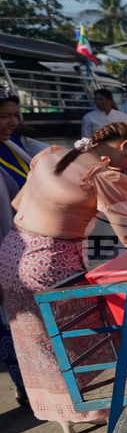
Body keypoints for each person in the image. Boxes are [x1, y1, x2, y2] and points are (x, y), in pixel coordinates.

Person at [0, 123, 127, 433]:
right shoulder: (107, 178)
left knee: (39, 339)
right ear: (125, 147)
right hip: (51, 260)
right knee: (91, 327)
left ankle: (64, 414)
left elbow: (18, 203)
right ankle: (91, 408)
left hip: (12, 250)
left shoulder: (52, 154)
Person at [0, 89, 46, 408]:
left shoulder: (13, 147)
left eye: (15, 115)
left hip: (26, 253)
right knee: (10, 325)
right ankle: (25, 386)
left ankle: (43, 386)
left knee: (35, 325)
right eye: (5, 116)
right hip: (4, 258)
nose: (13, 122)